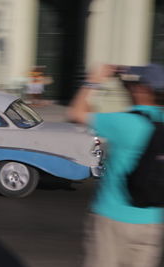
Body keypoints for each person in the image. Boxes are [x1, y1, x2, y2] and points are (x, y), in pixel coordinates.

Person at [68, 64, 164, 267]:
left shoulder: (124, 122)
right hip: (153, 220)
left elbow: (76, 113)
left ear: (142, 89)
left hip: (112, 217)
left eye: (133, 86)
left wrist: (92, 81)